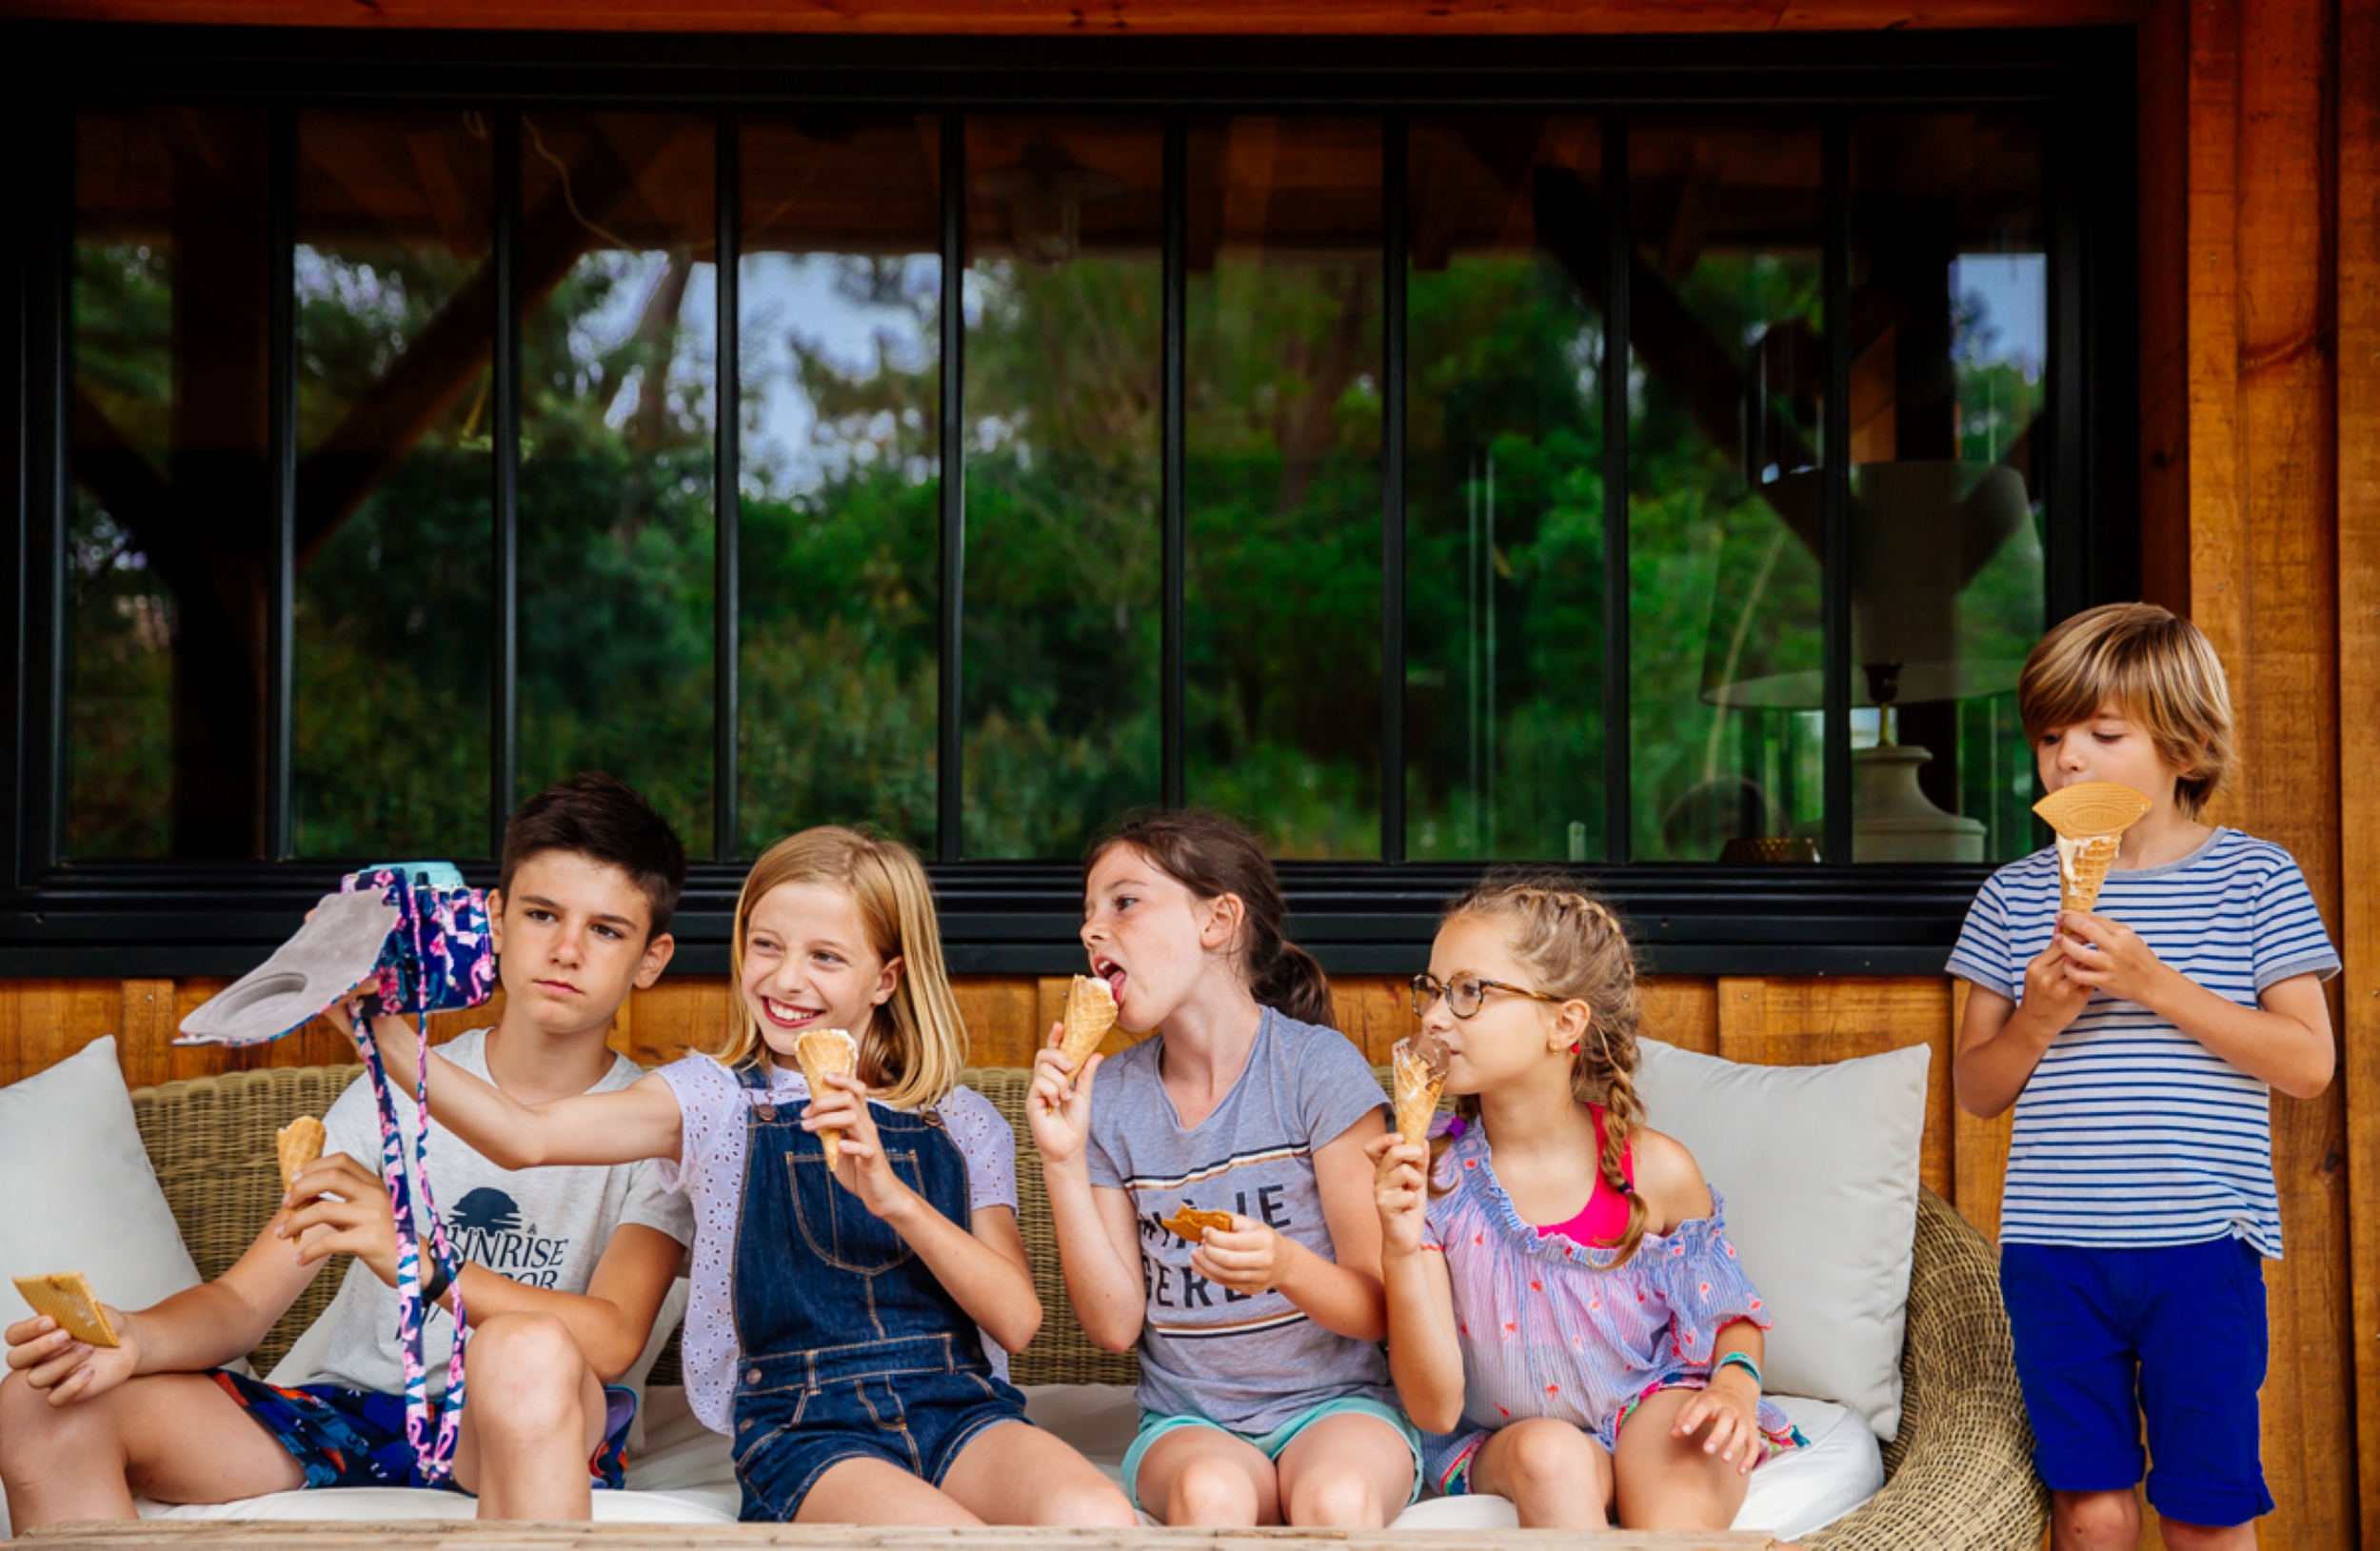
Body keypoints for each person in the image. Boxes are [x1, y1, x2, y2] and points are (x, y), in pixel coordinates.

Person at [333, 825, 1134, 1528]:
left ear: (885, 979)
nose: (787, 981)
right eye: (766, 945)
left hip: (961, 1412)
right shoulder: (710, 1100)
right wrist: (383, 1033)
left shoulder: (958, 1120)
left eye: (825, 957)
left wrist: (889, 1193)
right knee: (938, 1535)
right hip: (808, 1429)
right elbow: (525, 1136)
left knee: (1098, 1515)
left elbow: (1018, 1319)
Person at [0, 772, 698, 1526]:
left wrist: (418, 1258)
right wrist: (135, 1335)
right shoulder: (389, 1092)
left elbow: (612, 1334)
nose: (566, 949)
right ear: (495, 918)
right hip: (357, 1416)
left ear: (651, 957)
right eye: (541, 913)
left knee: (524, 1350)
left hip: (523, 1416)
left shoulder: (650, 1122)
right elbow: (241, 1303)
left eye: (605, 929)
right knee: (39, 1405)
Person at [1950, 603, 2338, 1551]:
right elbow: (1975, 1088)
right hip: (2052, 1252)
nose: (2068, 758)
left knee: (2206, 1512)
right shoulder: (2011, 895)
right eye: (2049, 736)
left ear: (2186, 746)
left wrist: (2151, 983)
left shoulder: (2256, 879)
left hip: (2202, 1246)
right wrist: (2040, 1015)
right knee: (2088, 1513)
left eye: (2102, 732)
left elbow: (2307, 1065)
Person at [1368, 871, 1803, 1532]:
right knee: (1549, 1455)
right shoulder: (1434, 1177)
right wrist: (1400, 1244)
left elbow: (1727, 1308)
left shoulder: (1653, 1168)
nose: (1432, 1015)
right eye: (1430, 989)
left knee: (1678, 1478)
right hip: (1508, 1435)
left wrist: (1735, 1386)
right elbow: (1434, 1407)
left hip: (1650, 1400)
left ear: (1564, 1022)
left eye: (1468, 992)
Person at [1029, 808, 1419, 1528]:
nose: (1091, 930)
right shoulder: (1109, 1098)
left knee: (1335, 1500)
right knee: (1212, 1495)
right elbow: (1115, 1326)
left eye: (1124, 901)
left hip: (1337, 1405)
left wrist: (1285, 1264)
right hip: (1189, 1421)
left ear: (1218, 921)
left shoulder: (1315, 1070)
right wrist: (1060, 1156)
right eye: (1087, 913)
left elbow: (1378, 1305)